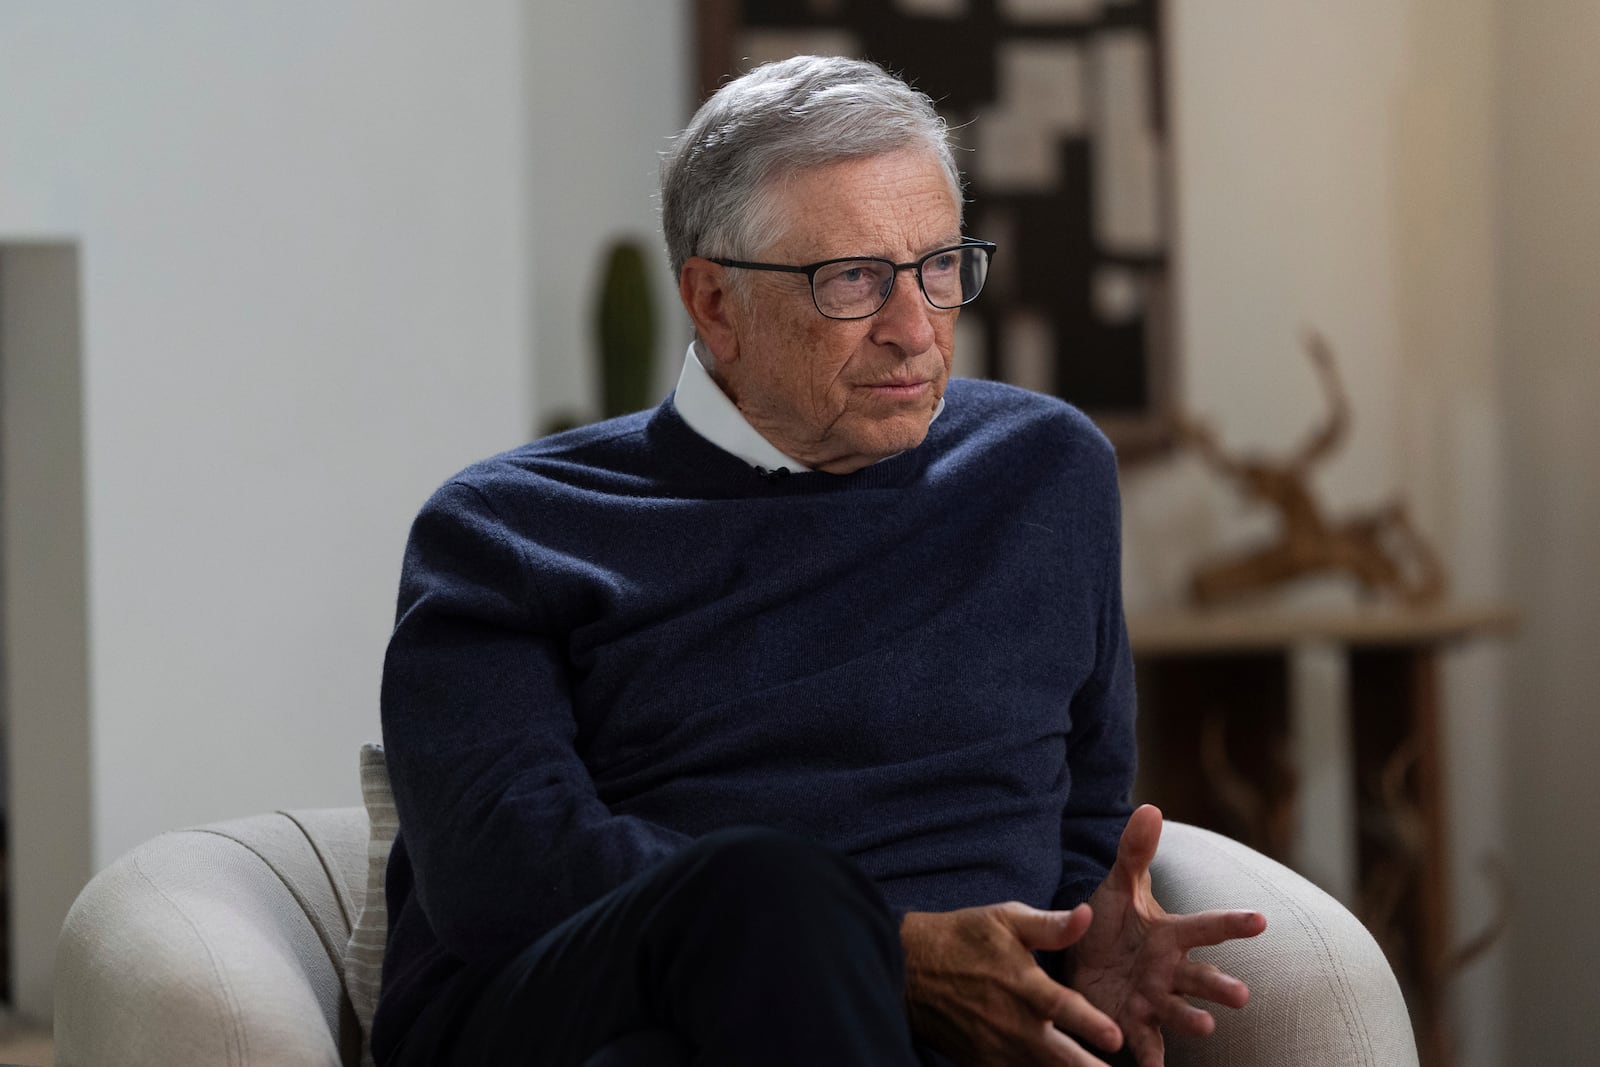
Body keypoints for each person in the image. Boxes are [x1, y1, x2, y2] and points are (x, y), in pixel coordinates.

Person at [375, 54, 1265, 1067]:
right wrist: (892, 950)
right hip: (583, 1002)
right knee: (764, 892)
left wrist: (1078, 956)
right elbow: (506, 867)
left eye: (939, 266)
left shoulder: (1045, 473)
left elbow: (1082, 819)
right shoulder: (506, 527)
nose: (914, 328)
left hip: (931, 1036)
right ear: (713, 303)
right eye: (852, 280)